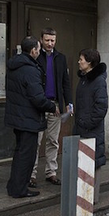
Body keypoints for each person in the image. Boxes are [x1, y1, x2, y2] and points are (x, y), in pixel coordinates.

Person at [4, 36, 58, 198]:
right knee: (26, 156)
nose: (40, 51)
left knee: (20, 152)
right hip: (28, 119)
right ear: (33, 50)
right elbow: (37, 98)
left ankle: (14, 185)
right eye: (39, 48)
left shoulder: (14, 66)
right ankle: (19, 189)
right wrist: (51, 106)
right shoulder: (30, 69)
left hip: (18, 118)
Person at [30, 27, 73, 188]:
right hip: (39, 106)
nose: (49, 43)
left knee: (53, 141)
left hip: (55, 106)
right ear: (41, 40)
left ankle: (51, 173)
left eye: (52, 40)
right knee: (36, 141)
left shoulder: (60, 58)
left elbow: (65, 82)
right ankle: (31, 174)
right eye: (47, 40)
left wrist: (69, 103)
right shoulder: (35, 57)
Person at [74, 49, 108, 203]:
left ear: (89, 62)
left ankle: (92, 200)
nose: (79, 61)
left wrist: (87, 123)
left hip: (92, 130)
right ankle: (83, 196)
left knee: (94, 163)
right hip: (81, 128)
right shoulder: (84, 79)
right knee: (82, 162)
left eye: (81, 59)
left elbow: (101, 107)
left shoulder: (98, 81)